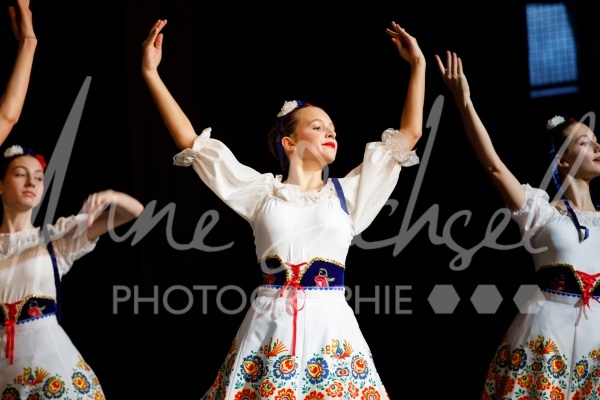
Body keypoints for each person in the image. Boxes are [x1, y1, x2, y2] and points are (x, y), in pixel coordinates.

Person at [142, 18, 425, 399]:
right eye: (318, 127)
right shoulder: (262, 192)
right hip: (269, 327)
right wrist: (151, 73)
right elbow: (190, 141)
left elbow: (408, 135)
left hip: (331, 331)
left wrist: (418, 66)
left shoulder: (348, 194)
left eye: (333, 129)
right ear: (289, 142)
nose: (330, 132)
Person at [0, 1, 145, 399]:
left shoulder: (54, 239)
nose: (31, 182)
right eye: (20, 174)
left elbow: (133, 213)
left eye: (38, 177)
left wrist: (111, 194)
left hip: (52, 372)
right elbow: (6, 118)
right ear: (0, 185)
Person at [436, 50, 600, 399]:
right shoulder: (540, 210)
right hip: (548, 332)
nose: (597, 146)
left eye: (596, 141)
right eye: (585, 142)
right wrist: (464, 102)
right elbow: (493, 165)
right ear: (562, 160)